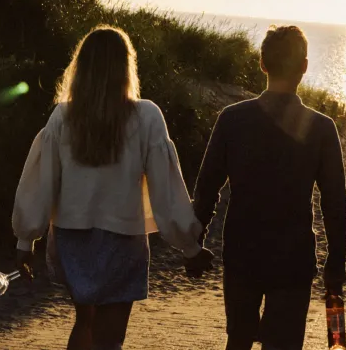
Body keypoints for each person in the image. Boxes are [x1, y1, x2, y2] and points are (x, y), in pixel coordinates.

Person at [12, 25, 213, 350]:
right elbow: (166, 189)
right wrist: (189, 246)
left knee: (85, 321)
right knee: (111, 334)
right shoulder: (147, 116)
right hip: (124, 239)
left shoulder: (63, 116)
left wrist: (26, 237)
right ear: (126, 67)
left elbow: (40, 181)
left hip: (72, 238)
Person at [192, 25, 346, 350]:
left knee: (238, 340)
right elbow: (335, 204)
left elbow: (207, 187)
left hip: (241, 254)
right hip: (293, 260)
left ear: (262, 64)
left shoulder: (232, 119)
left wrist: (194, 243)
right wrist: (335, 264)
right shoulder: (321, 128)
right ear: (304, 67)